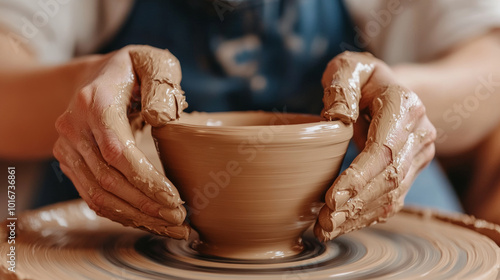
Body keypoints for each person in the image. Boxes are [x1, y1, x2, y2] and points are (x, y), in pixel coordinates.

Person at [0, 0, 499, 238]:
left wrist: (407, 99)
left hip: (359, 205)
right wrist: (86, 86)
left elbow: (489, 68)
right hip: (135, 209)